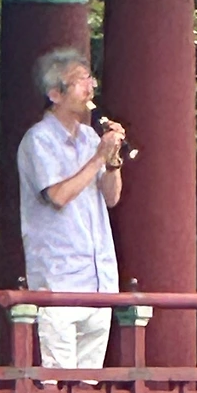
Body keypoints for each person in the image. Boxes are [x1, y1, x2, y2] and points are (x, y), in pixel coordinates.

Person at [16, 48, 125, 369]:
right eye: (80, 81)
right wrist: (98, 158)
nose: (91, 87)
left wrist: (112, 161)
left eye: (90, 79)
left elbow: (111, 198)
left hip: (100, 276)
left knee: (89, 381)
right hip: (59, 278)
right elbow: (58, 196)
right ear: (55, 94)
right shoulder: (39, 140)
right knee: (58, 379)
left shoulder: (90, 137)